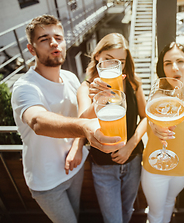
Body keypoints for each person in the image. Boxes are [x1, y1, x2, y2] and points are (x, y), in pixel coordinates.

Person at [11, 14, 124, 223]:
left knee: (77, 215)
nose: (54, 43)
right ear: (31, 49)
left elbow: (82, 117)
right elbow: (37, 121)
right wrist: (83, 128)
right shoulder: (24, 88)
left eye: (58, 37)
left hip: (75, 168)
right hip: (46, 180)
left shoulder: (71, 78)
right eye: (44, 39)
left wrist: (77, 146)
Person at [77, 33, 147, 223]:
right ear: (97, 56)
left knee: (127, 212)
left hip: (132, 160)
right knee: (113, 220)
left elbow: (146, 117)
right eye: (108, 59)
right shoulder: (87, 87)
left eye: (120, 62)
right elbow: (82, 121)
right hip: (103, 164)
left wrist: (130, 146)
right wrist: (99, 101)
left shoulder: (132, 82)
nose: (114, 65)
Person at [141, 42, 184, 223]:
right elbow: (151, 118)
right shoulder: (158, 94)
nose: (174, 67)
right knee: (155, 213)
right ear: (162, 68)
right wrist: (155, 126)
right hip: (156, 166)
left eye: (180, 61)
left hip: (183, 162)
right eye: (167, 63)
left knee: (170, 203)